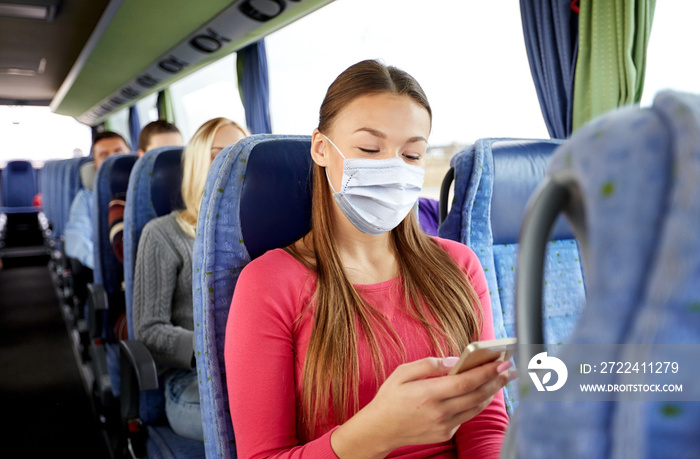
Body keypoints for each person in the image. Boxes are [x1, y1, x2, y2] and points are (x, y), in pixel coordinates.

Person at [225, 60, 513, 458]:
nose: (393, 168)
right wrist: (378, 432)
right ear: (321, 148)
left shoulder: (459, 266)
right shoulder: (270, 284)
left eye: (411, 155)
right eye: (369, 149)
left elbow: (484, 424)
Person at [132, 117, 247, 441]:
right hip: (193, 379)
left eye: (242, 155)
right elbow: (149, 329)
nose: (236, 165)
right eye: (221, 155)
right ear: (199, 164)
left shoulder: (267, 232)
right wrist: (214, 351)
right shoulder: (163, 234)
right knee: (256, 427)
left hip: (259, 373)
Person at [108, 120, 184, 265]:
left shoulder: (196, 195)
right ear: (142, 157)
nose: (172, 162)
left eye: (177, 152)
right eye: (163, 154)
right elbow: (127, 253)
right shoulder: (121, 203)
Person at [65, 131, 130, 271]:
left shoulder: (147, 191)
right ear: (95, 163)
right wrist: (104, 263)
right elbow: (76, 239)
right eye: (104, 155)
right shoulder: (85, 198)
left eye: (118, 152)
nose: (113, 159)